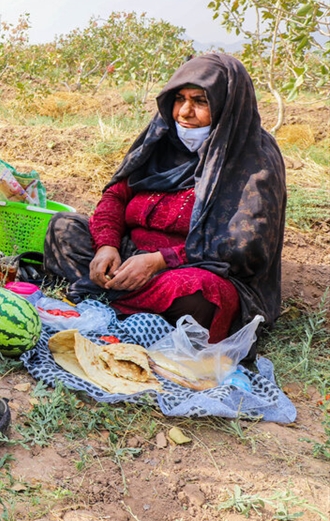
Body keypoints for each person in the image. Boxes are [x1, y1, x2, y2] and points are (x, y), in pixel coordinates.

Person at [44, 53, 286, 342]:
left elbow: (243, 248)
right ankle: (124, 295)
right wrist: (107, 247)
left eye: (200, 101)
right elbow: (116, 196)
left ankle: (107, 294)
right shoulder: (161, 140)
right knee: (63, 228)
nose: (184, 112)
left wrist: (159, 261)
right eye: (179, 99)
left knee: (198, 292)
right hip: (128, 256)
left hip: (190, 269)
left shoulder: (252, 158)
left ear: (226, 104)